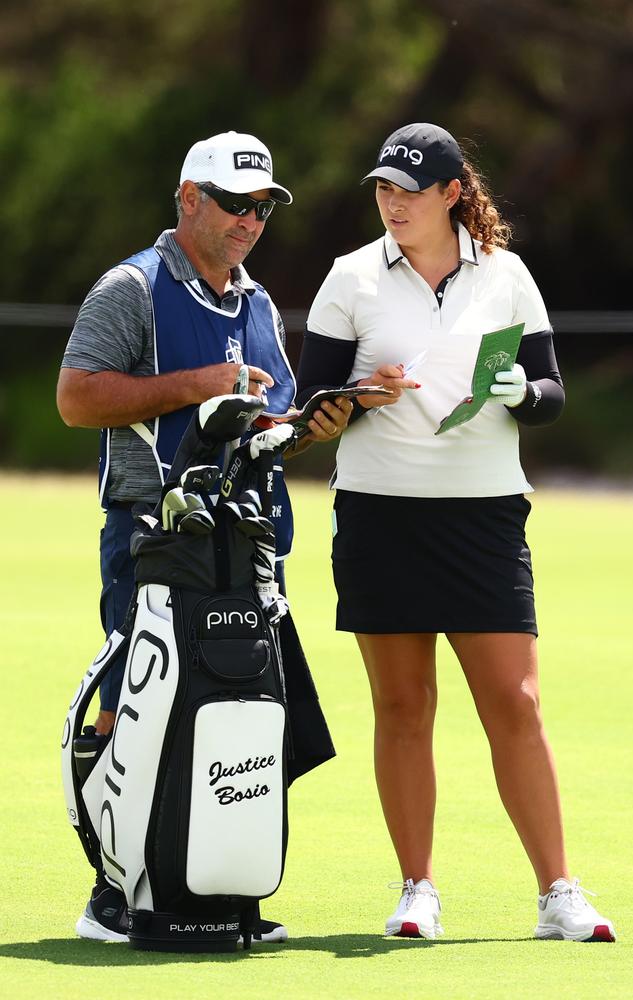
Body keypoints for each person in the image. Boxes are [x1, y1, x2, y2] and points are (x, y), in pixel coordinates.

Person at [296, 123, 616, 943]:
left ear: (450, 195)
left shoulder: (505, 276)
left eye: (409, 190)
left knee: (515, 702)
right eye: (383, 189)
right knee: (403, 705)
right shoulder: (352, 277)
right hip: (381, 513)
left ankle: (558, 892)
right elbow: (312, 407)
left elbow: (550, 392)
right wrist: (356, 398)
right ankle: (417, 889)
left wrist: (520, 390)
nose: (392, 203)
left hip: (483, 516)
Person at [57, 130, 352, 945]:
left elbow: (264, 422)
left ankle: (213, 886)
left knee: (238, 713)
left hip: (244, 543)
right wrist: (201, 385)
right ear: (188, 197)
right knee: (139, 706)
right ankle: (116, 894)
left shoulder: (255, 303)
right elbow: (77, 399)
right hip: (156, 536)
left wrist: (318, 423)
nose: (251, 220)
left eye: (262, 206)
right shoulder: (132, 288)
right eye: (233, 202)